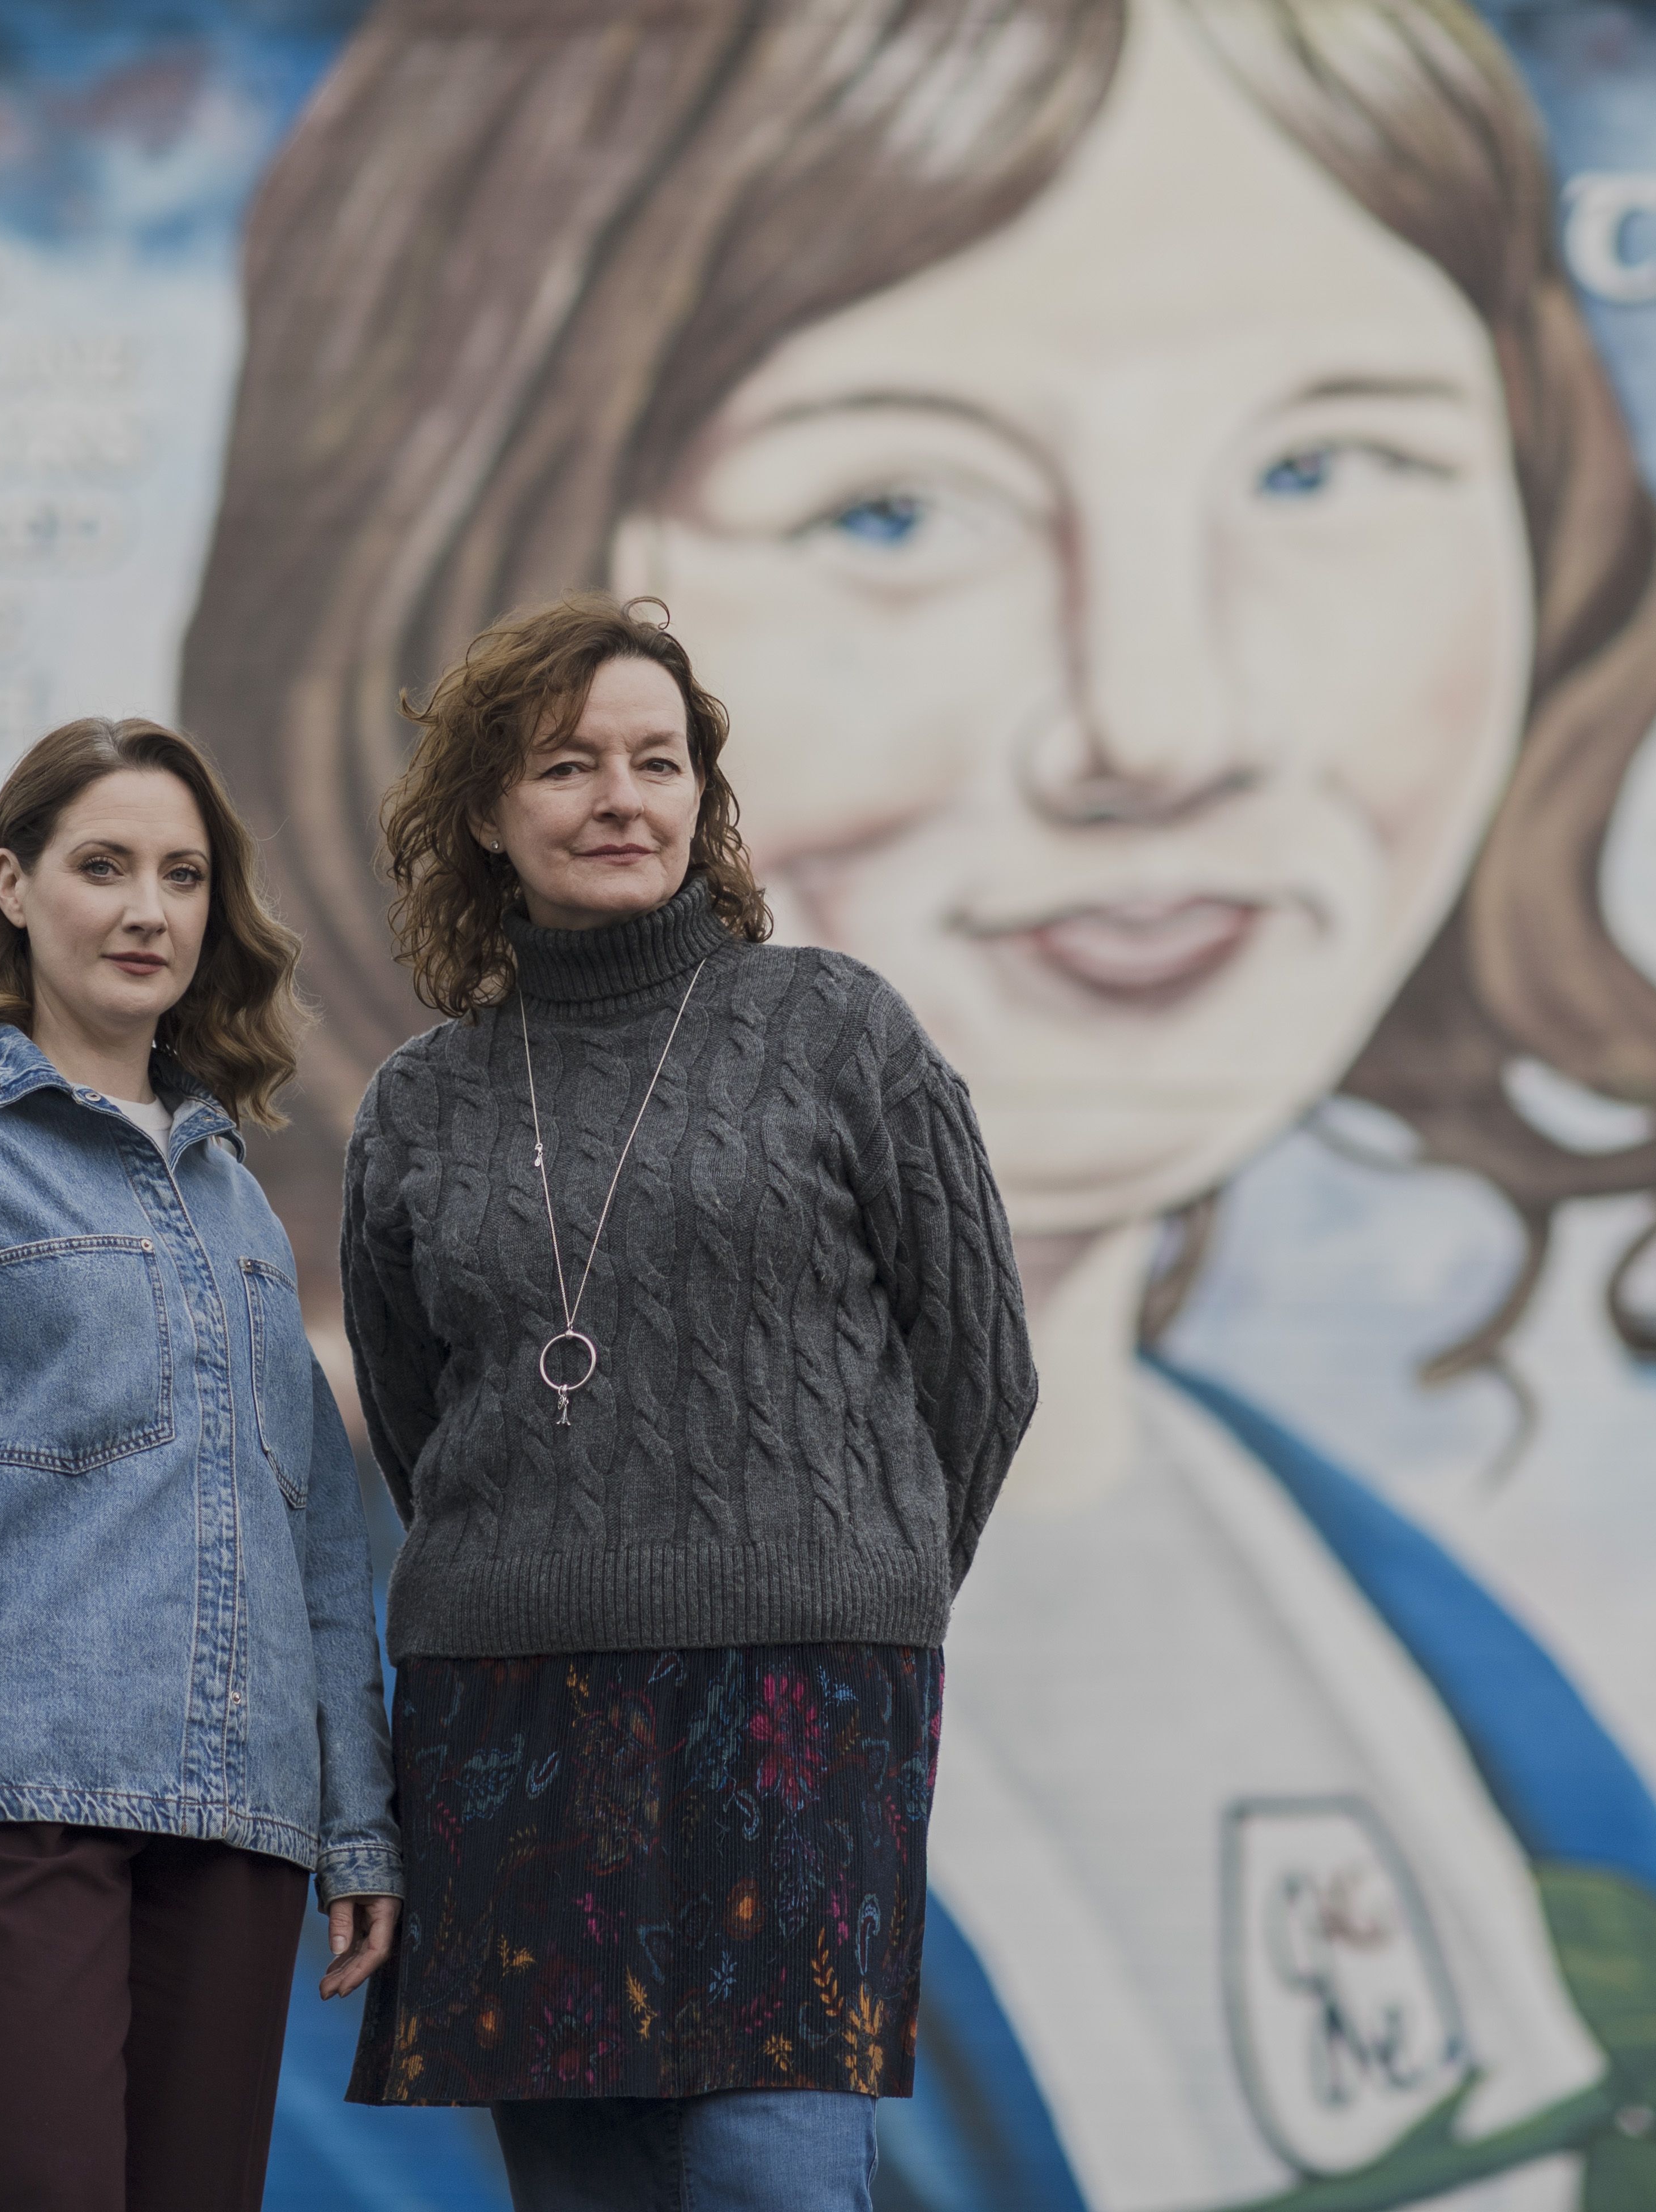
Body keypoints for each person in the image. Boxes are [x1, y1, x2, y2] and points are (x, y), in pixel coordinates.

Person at [184, 3, 1656, 2205]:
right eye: (896, 504)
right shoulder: (273, 1724)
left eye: (1323, 469)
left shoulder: (1381, 1619)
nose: (1161, 719)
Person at [331, 591, 1037, 2212]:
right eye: (569, 765)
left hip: (798, 1710)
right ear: (488, 819)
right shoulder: (420, 1104)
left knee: (772, 2179)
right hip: (508, 1720)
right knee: (588, 2194)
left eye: (658, 763)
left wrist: (855, 1584)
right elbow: (418, 1420)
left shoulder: (837, 1030)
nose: (621, 799)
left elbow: (980, 1367)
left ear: (702, 802)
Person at [0, 715, 404, 2211]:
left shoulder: (238, 1207)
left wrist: (356, 1820)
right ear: (13, 884)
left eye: (183, 876)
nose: (147, 910)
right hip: (0, 1823)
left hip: (235, 1838)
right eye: (103, 865)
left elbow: (315, 1544)